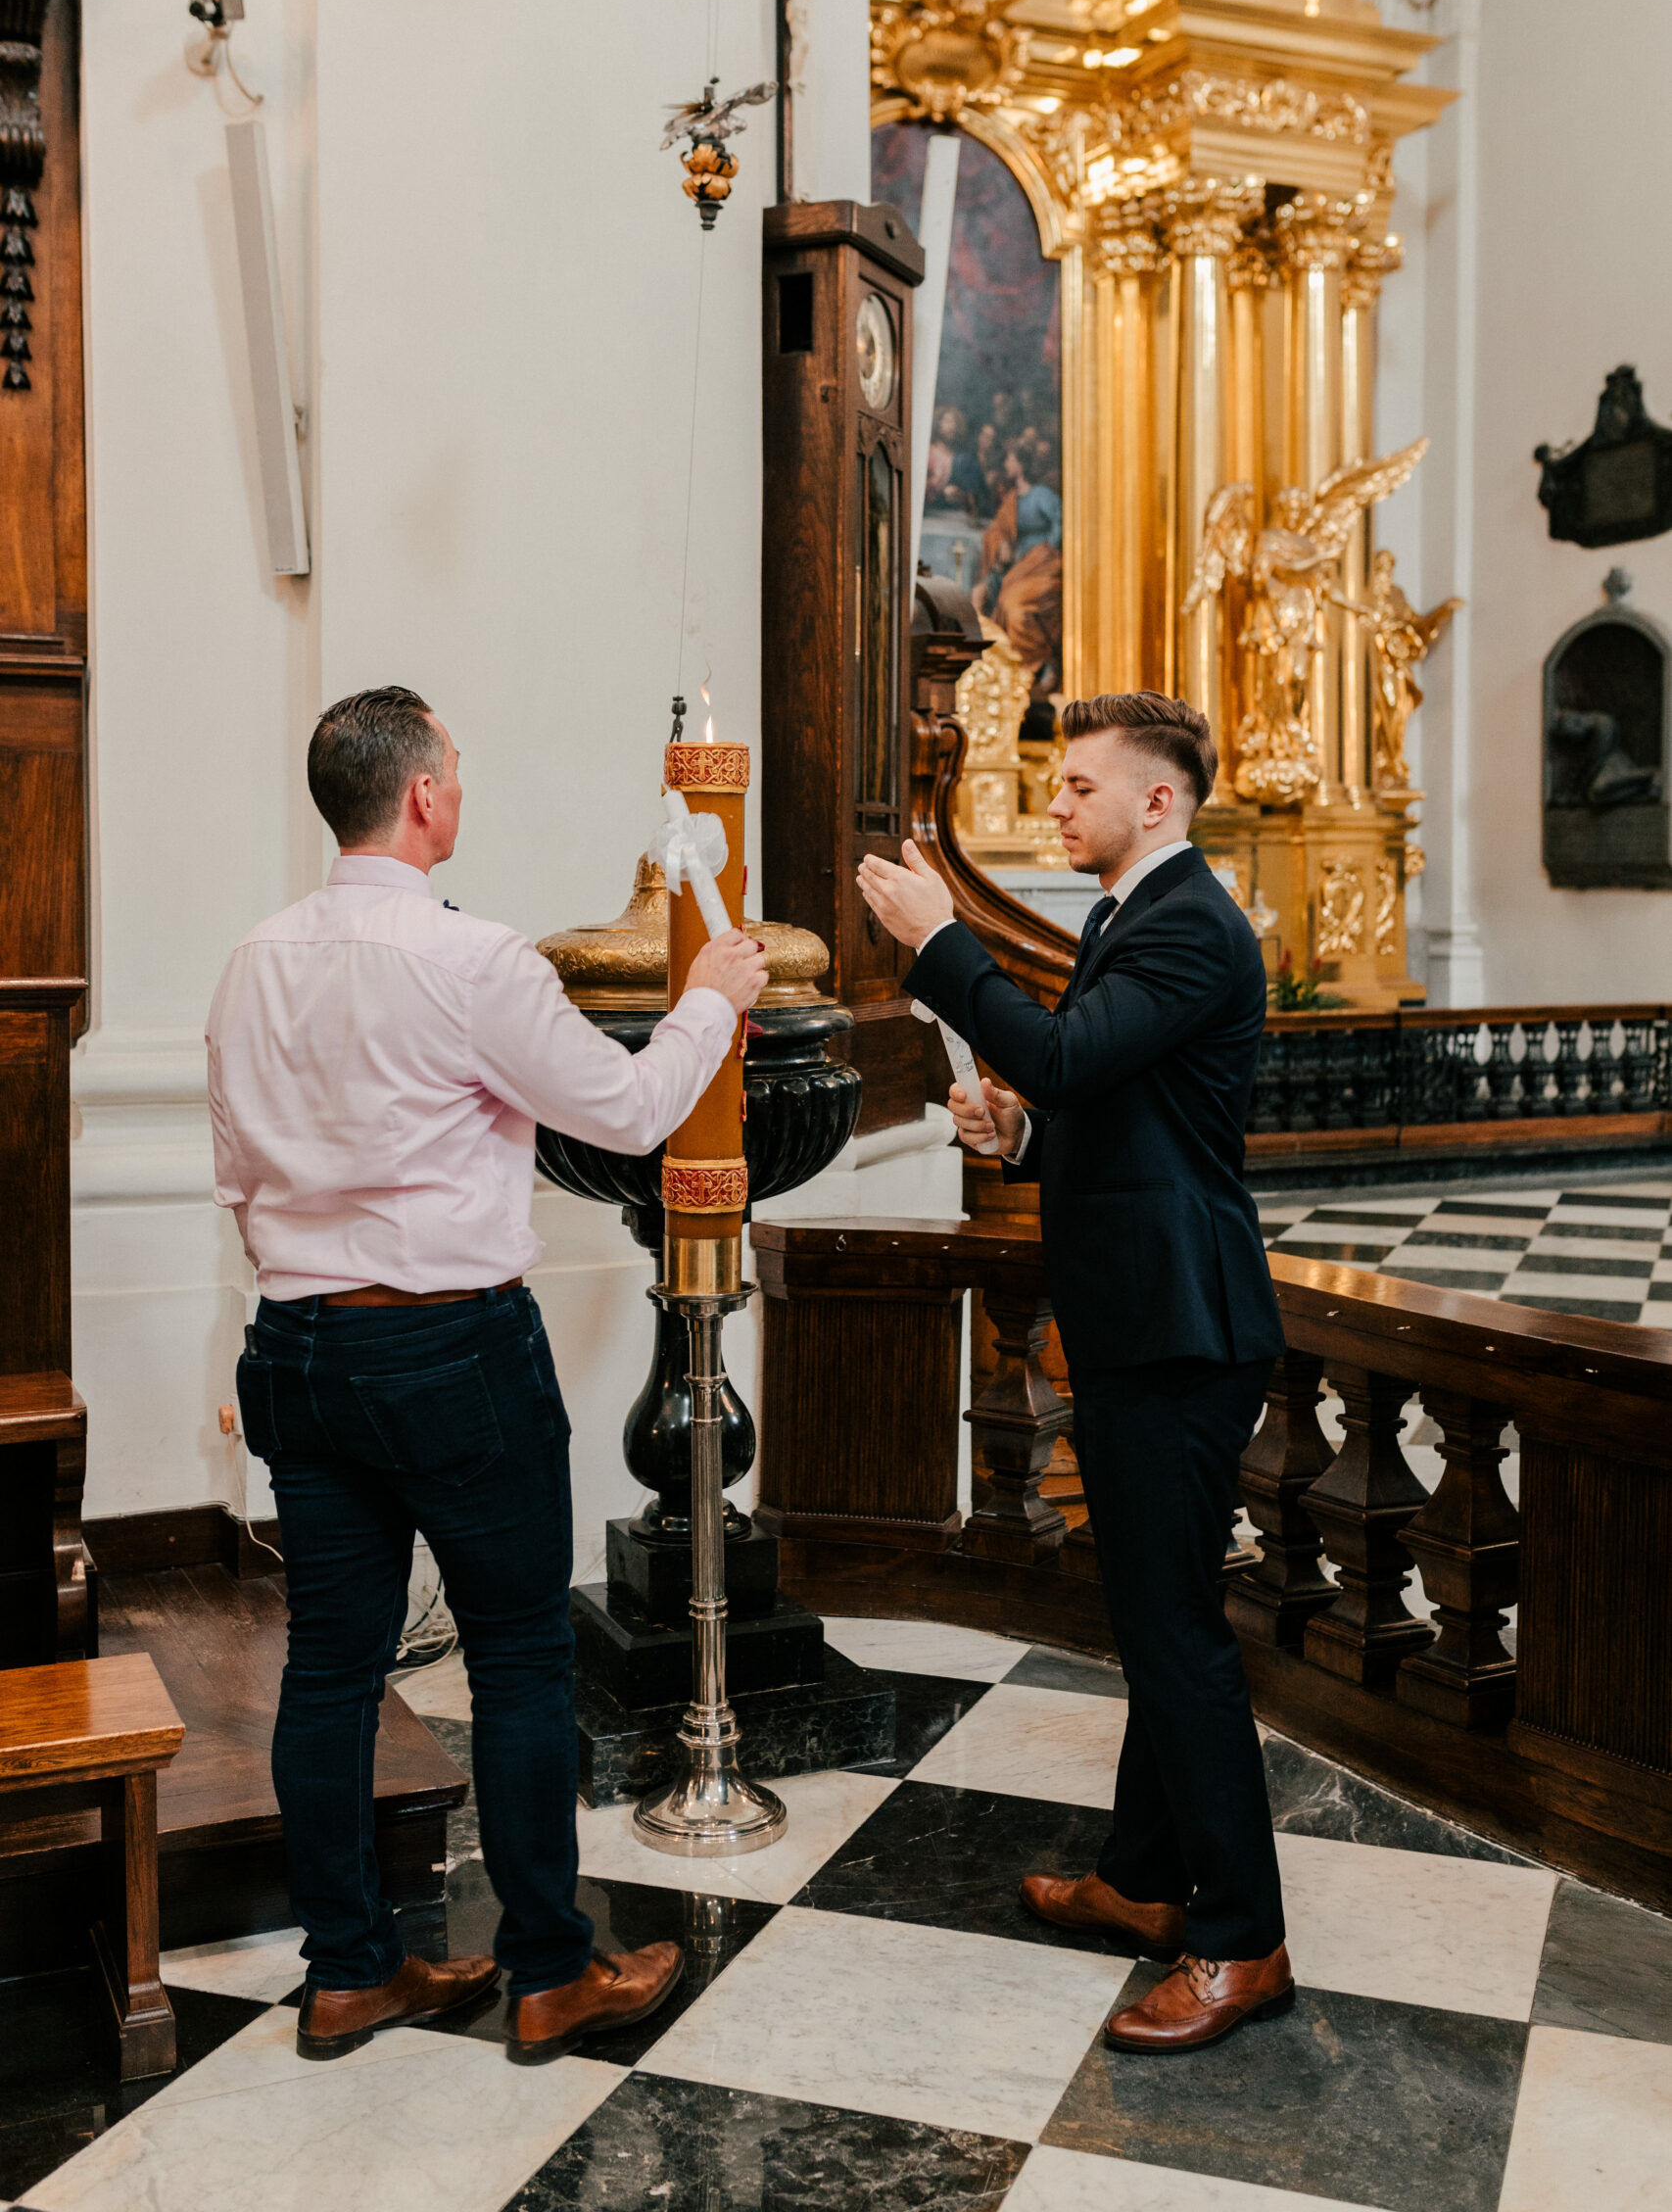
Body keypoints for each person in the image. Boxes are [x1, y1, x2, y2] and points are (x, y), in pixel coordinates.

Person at [207, 687, 768, 2066]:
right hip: (450, 1346)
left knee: (330, 1668)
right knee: (519, 1657)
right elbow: (629, 1113)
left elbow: (235, 1174)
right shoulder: (474, 960)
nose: (460, 786)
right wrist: (710, 997)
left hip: (298, 1343)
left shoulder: (252, 960)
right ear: (422, 798)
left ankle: (349, 1973)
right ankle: (551, 1972)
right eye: (453, 768)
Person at [855, 691, 1291, 2056]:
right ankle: (1147, 1881)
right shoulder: (1122, 919)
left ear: (1159, 800)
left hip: (1182, 1329)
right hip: (1140, 1317)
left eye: (1079, 784)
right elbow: (1123, 1114)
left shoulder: (1190, 924)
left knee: (1179, 1638)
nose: (1054, 801)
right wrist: (1028, 1136)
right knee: (1153, 1620)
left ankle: (1244, 1942)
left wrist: (940, 941)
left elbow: (1062, 1053)